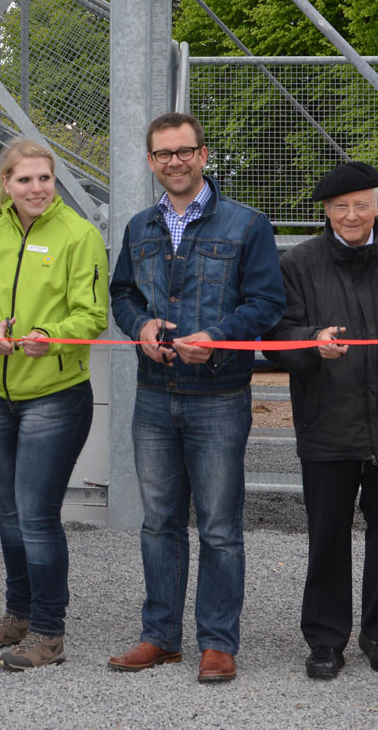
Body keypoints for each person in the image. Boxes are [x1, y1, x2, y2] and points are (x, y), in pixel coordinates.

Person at [107, 112, 285, 683]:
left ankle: (217, 642)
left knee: (218, 527)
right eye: (163, 154)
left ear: (204, 155)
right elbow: (123, 293)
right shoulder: (139, 227)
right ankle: (160, 636)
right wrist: (138, 326)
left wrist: (221, 337)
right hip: (155, 396)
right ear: (152, 161)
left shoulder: (245, 225)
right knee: (158, 523)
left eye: (184, 151)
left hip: (218, 397)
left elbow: (266, 303)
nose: (174, 162)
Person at [0, 140, 109, 671]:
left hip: (53, 395)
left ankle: (49, 631)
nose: (36, 189)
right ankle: (18, 614)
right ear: (6, 183)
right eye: (24, 180)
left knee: (37, 515)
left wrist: (52, 333)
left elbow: (92, 315)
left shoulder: (80, 234)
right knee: (8, 514)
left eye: (44, 179)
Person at [266, 161, 378, 681]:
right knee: (327, 535)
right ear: (326, 212)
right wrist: (310, 342)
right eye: (340, 207)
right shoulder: (299, 262)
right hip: (327, 422)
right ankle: (326, 639)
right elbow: (277, 332)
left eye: (361, 204)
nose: (351, 216)